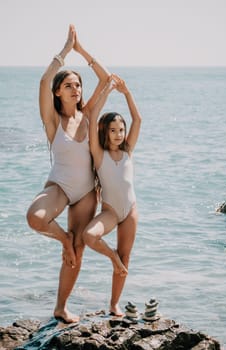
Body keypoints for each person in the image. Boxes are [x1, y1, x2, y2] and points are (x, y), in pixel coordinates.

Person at [26, 24, 110, 323]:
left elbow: (106, 78)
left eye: (78, 85)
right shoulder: (52, 121)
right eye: (69, 86)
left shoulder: (87, 115)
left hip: (87, 192)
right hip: (60, 186)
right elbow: (43, 80)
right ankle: (64, 241)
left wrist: (82, 50)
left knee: (79, 247)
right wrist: (65, 50)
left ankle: (61, 307)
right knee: (35, 217)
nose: (76, 89)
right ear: (58, 93)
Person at [82, 74, 142, 316]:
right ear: (104, 133)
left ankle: (114, 304)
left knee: (126, 256)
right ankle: (112, 258)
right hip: (110, 211)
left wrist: (126, 93)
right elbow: (93, 116)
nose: (118, 134)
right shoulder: (99, 154)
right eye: (113, 130)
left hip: (130, 211)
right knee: (89, 236)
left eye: (121, 130)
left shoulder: (128, 150)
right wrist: (107, 91)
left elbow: (138, 119)